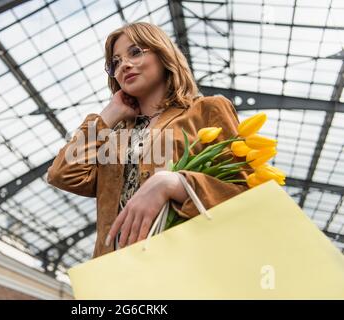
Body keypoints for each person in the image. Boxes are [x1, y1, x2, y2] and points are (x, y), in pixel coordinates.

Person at [46, 22, 249, 259]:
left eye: (135, 52)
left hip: (182, 266)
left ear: (163, 54)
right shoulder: (114, 137)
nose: (125, 65)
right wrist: (108, 115)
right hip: (115, 274)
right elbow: (62, 174)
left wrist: (174, 184)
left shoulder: (207, 110)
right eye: (116, 63)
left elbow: (244, 194)